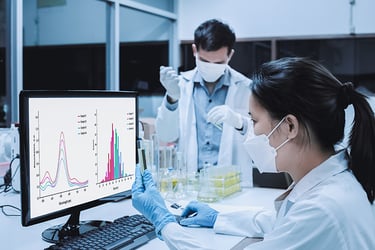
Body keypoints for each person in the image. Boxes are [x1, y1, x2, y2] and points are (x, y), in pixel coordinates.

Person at [132, 57, 375, 249]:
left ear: (290, 126)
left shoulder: (322, 209)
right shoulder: (333, 183)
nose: (252, 131)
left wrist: (164, 223)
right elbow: (284, 224)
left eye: (254, 120)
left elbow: (300, 224)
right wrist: (218, 218)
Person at [155, 19, 253, 186]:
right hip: (190, 184)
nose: (211, 67)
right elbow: (166, 135)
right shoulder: (181, 86)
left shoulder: (246, 88)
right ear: (195, 50)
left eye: (219, 63)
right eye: (205, 61)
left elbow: (263, 140)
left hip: (232, 186)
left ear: (230, 55)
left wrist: (240, 122)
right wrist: (172, 97)